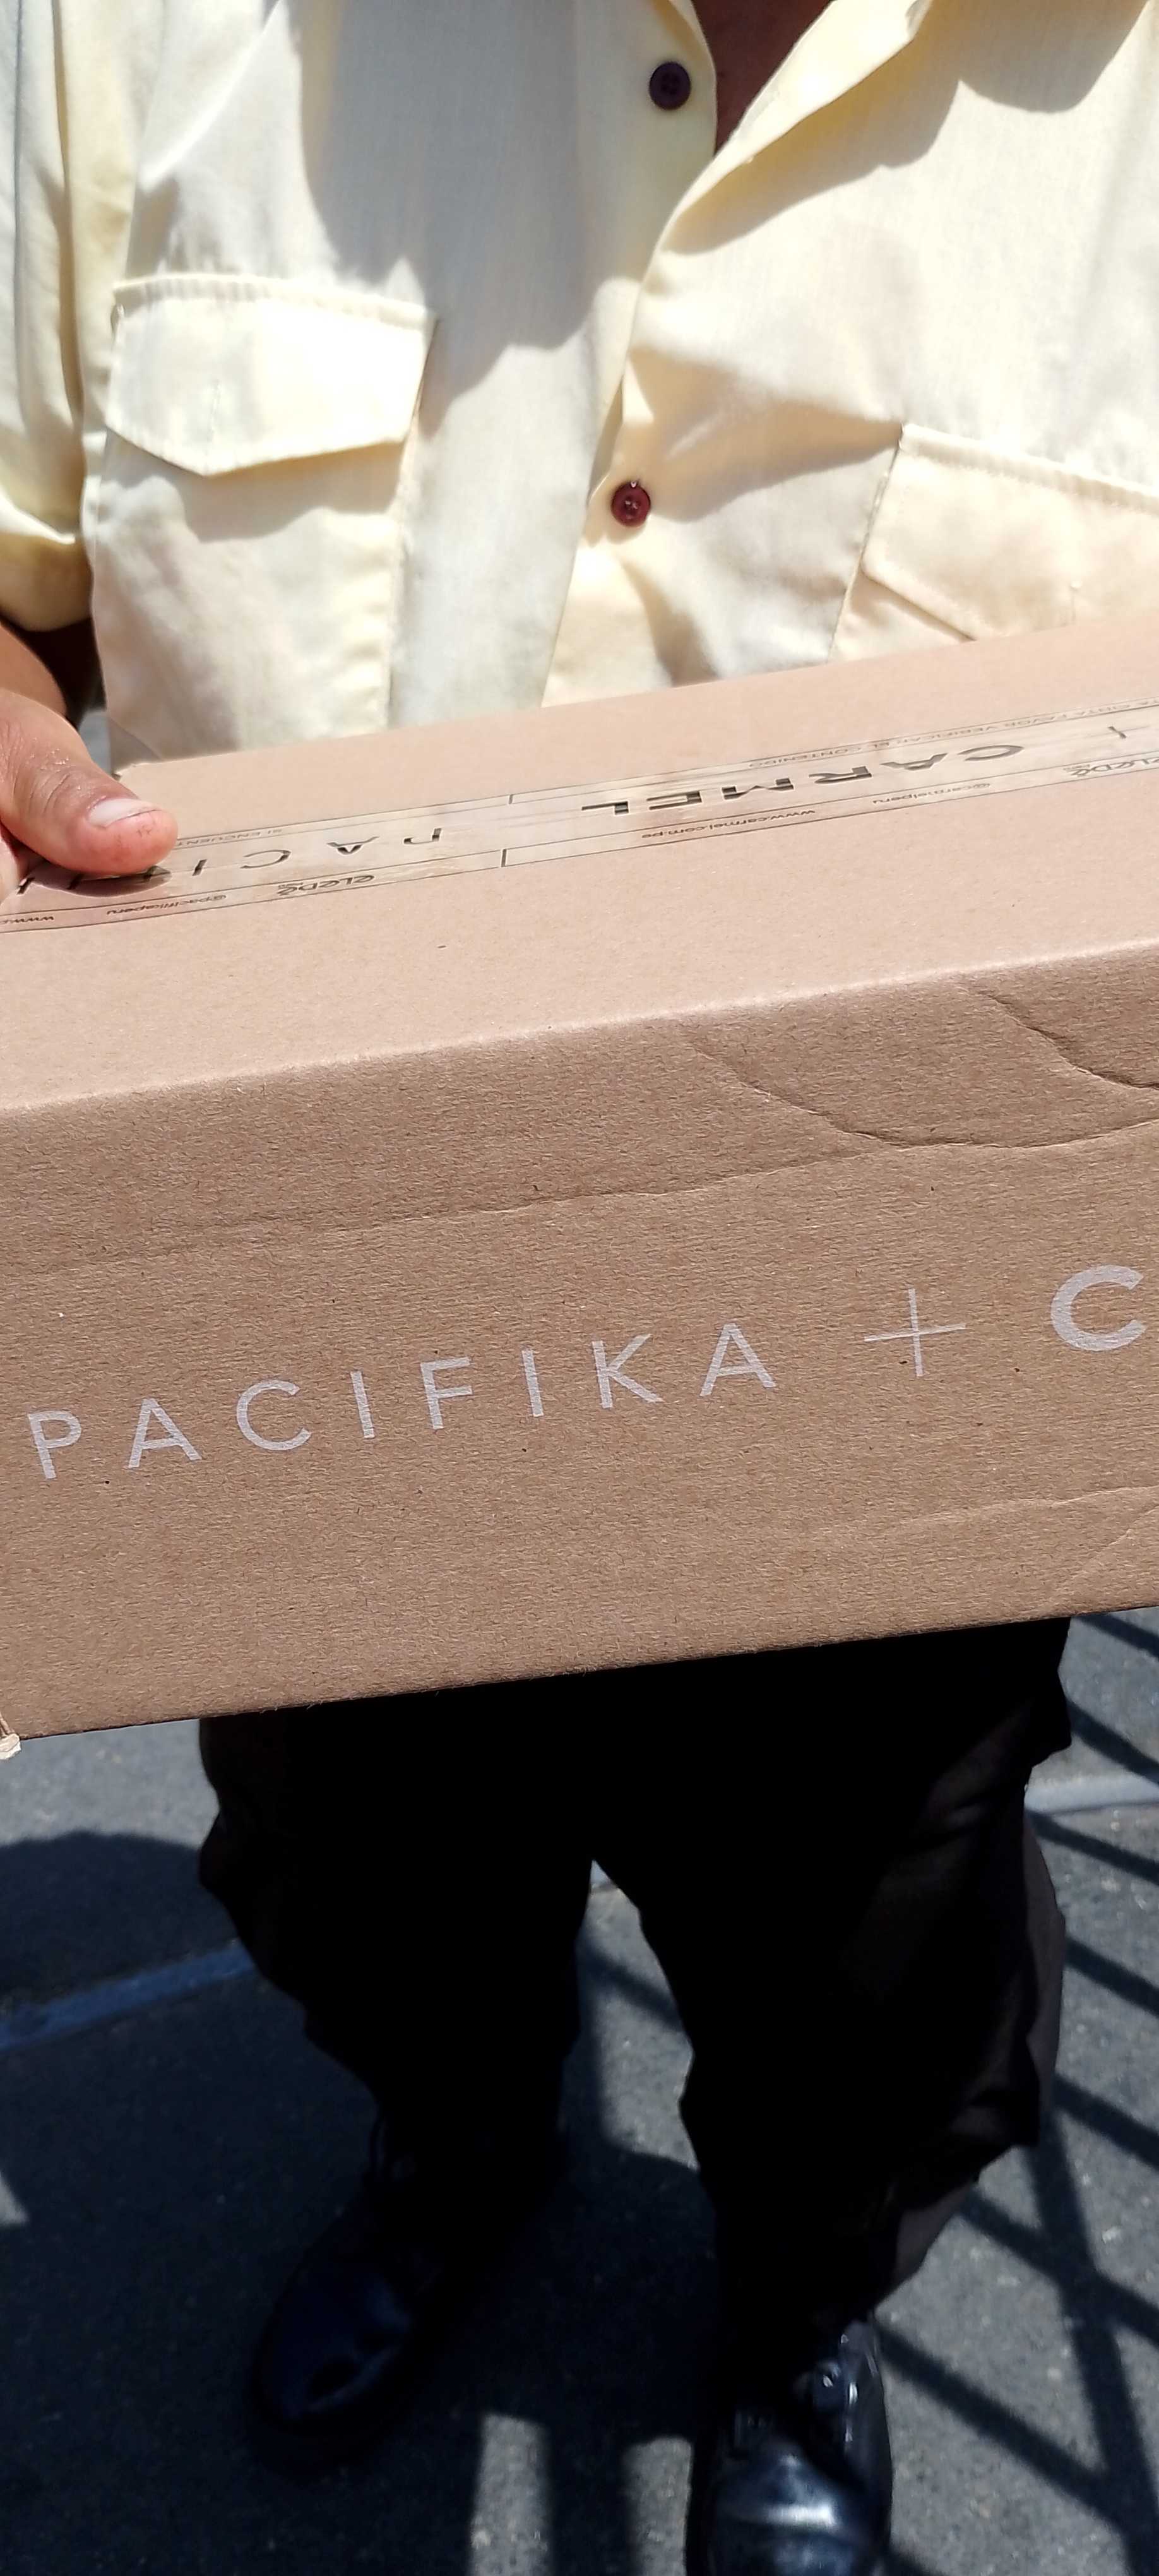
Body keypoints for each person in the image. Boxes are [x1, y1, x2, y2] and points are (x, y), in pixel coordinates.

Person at [12, 2, 1156, 2566]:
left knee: (869, 1978)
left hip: (897, 1392)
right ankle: (454, 2145)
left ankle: (800, 2303)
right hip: (305, 1365)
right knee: (357, 1894)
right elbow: (9, 597)